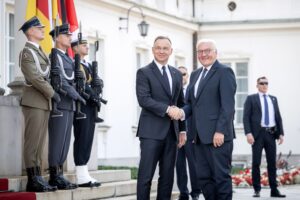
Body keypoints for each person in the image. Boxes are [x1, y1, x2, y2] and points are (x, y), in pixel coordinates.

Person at [173, 39, 236, 200]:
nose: (204, 54)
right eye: (200, 51)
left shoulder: (224, 72)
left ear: (216, 52)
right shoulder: (195, 75)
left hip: (218, 137)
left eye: (207, 50)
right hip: (198, 138)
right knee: (204, 178)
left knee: (220, 178)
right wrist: (181, 112)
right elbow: (190, 104)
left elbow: (227, 106)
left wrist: (220, 130)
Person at [136, 36, 187, 200]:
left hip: (172, 133)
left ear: (171, 51)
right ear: (153, 50)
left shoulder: (176, 74)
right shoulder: (144, 72)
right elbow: (144, 99)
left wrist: (183, 130)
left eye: (165, 48)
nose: (161, 51)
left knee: (167, 178)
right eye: (158, 47)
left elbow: (180, 103)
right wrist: (167, 110)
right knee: (145, 176)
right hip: (151, 132)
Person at [19, 16, 59, 192]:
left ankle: (38, 177)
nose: (43, 30)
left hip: (43, 102)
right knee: (32, 143)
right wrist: (52, 93)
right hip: (34, 101)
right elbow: (35, 77)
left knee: (40, 143)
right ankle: (32, 179)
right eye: (39, 28)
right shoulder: (27, 53)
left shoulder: (40, 51)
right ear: (30, 32)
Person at [48, 23, 86, 190]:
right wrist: (74, 94)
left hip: (70, 105)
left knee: (65, 143)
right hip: (61, 103)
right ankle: (54, 175)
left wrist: (81, 82)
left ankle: (60, 174)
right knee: (57, 141)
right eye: (66, 35)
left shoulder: (68, 57)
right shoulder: (54, 56)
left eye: (70, 35)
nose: (70, 37)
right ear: (57, 37)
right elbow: (59, 80)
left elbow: (72, 79)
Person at [243, 76, 286, 198]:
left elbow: (278, 117)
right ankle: (257, 189)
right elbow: (246, 117)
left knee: (272, 163)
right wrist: (248, 133)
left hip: (271, 134)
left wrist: (281, 133)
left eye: (266, 83)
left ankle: (274, 190)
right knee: (256, 162)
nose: (264, 85)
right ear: (257, 85)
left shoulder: (273, 99)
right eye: (261, 83)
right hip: (257, 135)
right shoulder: (251, 99)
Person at [71, 38, 101, 187]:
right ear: (75, 48)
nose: (87, 47)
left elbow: (95, 82)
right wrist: (92, 95)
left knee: (88, 138)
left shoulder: (88, 65)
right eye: (83, 45)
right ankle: (81, 174)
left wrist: (98, 86)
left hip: (90, 106)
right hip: (81, 104)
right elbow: (80, 84)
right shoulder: (74, 63)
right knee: (82, 138)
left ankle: (85, 172)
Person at [176, 66, 201, 200]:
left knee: (193, 165)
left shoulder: (193, 91)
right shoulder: (173, 91)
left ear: (187, 76)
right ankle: (183, 193)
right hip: (177, 135)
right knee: (179, 166)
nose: (181, 77)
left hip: (191, 135)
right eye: (179, 75)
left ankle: (196, 192)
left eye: (184, 74)